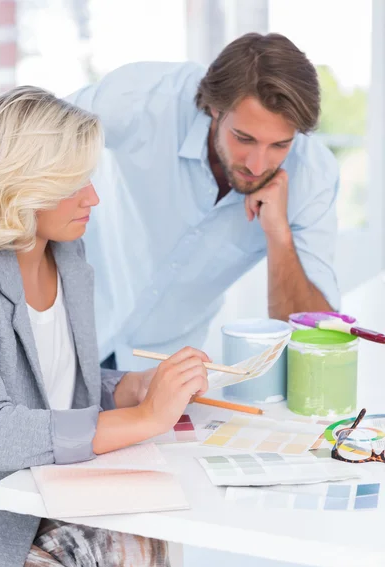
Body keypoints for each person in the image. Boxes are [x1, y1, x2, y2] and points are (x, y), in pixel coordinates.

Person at [0, 86, 208, 567]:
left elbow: (48, 385)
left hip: (53, 497)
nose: (94, 198)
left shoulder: (67, 255)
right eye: (74, 183)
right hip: (1, 520)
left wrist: (128, 389)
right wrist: (145, 418)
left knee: (143, 528)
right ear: (23, 185)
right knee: (127, 547)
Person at [66, 32, 340, 372]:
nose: (257, 166)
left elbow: (314, 338)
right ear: (214, 107)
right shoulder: (146, 98)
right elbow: (28, 138)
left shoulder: (312, 174)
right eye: (244, 138)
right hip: (66, 331)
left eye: (279, 145)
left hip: (162, 364)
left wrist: (279, 236)